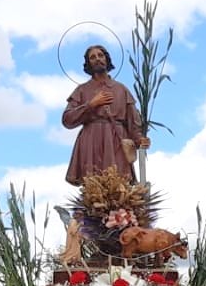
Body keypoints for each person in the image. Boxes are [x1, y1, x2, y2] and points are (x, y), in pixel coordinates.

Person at [61, 44, 147, 188]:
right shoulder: (82, 90)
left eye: (100, 55)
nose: (97, 59)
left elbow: (133, 121)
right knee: (93, 186)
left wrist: (139, 139)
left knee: (119, 184)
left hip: (116, 141)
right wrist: (91, 104)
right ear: (88, 63)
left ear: (107, 59)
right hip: (91, 141)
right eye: (92, 57)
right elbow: (67, 119)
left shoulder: (121, 89)